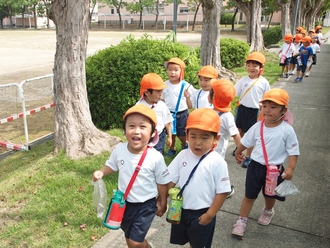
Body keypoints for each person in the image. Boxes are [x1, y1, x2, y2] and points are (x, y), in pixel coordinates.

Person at [93, 104, 171, 248]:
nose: (136, 131)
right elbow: (112, 165)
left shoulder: (155, 157)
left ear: (153, 133)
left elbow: (162, 182)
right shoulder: (120, 150)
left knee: (136, 242)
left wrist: (163, 201)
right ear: (125, 130)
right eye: (131, 126)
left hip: (146, 205)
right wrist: (102, 172)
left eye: (143, 127)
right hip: (124, 203)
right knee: (129, 238)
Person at [232, 88, 300, 237]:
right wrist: (238, 152)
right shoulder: (258, 127)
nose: (267, 110)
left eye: (273, 107)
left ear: (284, 111)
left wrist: (290, 168)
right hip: (255, 167)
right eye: (264, 106)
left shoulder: (287, 130)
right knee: (249, 196)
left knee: (270, 195)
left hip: (274, 170)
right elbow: (245, 141)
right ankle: (241, 221)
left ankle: (268, 211)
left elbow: (293, 151)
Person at [168, 108, 231, 248]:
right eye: (193, 136)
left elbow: (223, 191)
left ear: (216, 139)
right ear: (187, 135)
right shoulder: (182, 156)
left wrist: (210, 215)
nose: (198, 142)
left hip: (203, 212)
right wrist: (160, 200)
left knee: (199, 244)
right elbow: (170, 180)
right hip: (181, 209)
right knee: (188, 240)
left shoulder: (217, 161)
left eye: (205, 137)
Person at [233, 52, 270, 168]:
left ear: (261, 67)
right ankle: (239, 148)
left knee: (251, 134)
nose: (251, 68)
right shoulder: (243, 80)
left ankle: (248, 156)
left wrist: (265, 109)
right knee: (239, 131)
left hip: (255, 111)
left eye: (254, 66)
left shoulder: (263, 82)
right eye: (249, 65)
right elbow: (234, 92)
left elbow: (268, 97)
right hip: (242, 109)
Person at [209, 79, 244, 198]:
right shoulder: (211, 110)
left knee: (218, 171)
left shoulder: (226, 117)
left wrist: (240, 150)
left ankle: (225, 188)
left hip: (217, 151)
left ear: (215, 97)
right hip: (207, 148)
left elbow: (235, 134)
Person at [162, 57, 196, 157]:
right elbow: (162, 99)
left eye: (176, 70)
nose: (172, 72)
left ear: (181, 71)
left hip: (182, 114)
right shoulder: (164, 85)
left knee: (182, 134)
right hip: (169, 114)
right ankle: (172, 149)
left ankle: (184, 144)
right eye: (170, 70)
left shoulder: (185, 85)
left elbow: (193, 98)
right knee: (171, 134)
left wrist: (188, 96)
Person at [136, 73, 173, 155]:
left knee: (158, 155)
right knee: (144, 155)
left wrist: (170, 137)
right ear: (147, 92)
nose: (161, 94)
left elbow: (167, 122)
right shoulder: (139, 105)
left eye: (161, 90)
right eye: (158, 91)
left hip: (159, 136)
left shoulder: (162, 105)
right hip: (144, 136)